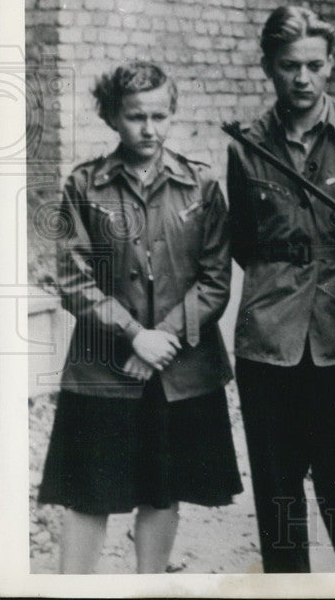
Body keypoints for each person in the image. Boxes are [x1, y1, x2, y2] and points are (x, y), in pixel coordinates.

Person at [38, 61, 242, 573]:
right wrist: (133, 337)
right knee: (90, 493)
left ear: (172, 114)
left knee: (163, 486)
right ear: (112, 118)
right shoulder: (84, 185)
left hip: (179, 367)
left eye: (159, 116)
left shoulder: (201, 184)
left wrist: (162, 340)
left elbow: (216, 278)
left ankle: (149, 582)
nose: (149, 129)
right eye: (135, 117)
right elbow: (72, 274)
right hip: (103, 371)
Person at [226, 6, 335, 573]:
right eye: (289, 65)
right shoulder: (245, 145)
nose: (303, 78)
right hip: (269, 343)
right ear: (268, 66)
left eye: (315, 65)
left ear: (331, 65)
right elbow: (246, 240)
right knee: (279, 506)